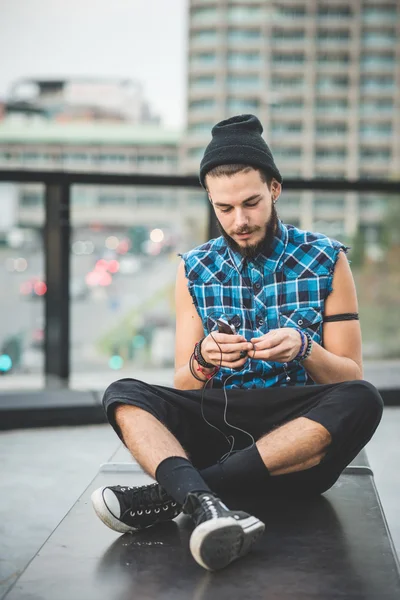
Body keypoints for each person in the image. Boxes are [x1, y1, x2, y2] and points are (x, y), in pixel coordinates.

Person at [91, 114, 383, 572]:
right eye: (224, 209)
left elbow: (350, 375)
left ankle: (180, 494)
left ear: (274, 189)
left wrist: (305, 347)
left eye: (250, 203)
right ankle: (209, 497)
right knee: (124, 394)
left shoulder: (327, 258)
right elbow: (186, 383)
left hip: (294, 435)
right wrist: (204, 359)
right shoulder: (194, 268)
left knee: (362, 399)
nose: (239, 221)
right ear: (211, 200)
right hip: (219, 420)